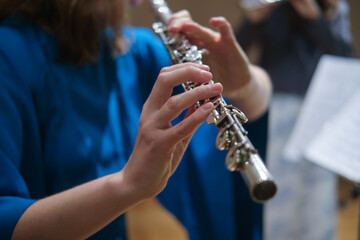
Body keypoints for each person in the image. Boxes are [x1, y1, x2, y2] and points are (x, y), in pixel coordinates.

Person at [0, 0, 272, 239]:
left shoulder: (129, 49)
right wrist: (128, 185)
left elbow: (258, 102)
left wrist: (243, 84)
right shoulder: (9, 54)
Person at [236, 0, 353, 239]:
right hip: (278, 107)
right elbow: (236, 51)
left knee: (319, 191)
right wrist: (253, 21)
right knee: (277, 188)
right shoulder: (272, 8)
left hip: (320, 109)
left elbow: (344, 56)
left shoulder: (333, 6)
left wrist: (314, 18)